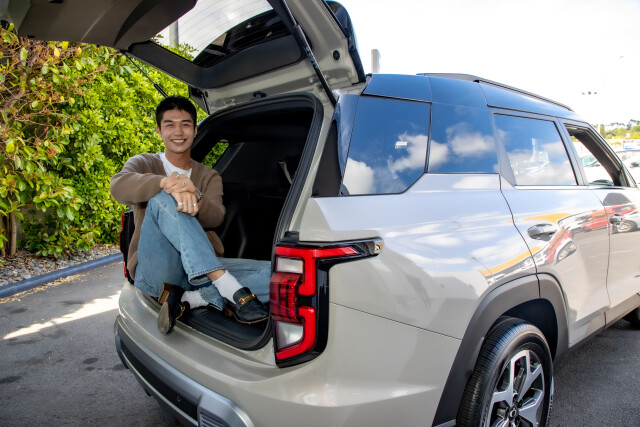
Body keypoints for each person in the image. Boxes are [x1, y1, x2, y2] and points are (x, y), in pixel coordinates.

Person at [110, 96, 269, 334]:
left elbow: (216, 218)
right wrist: (166, 183)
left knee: (280, 275)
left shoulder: (209, 176)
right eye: (170, 125)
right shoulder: (144, 163)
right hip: (158, 271)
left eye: (185, 125)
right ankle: (227, 286)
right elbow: (118, 186)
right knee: (163, 195)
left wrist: (194, 193)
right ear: (159, 130)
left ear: (195, 130)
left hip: (199, 271)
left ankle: (191, 298)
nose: (178, 131)